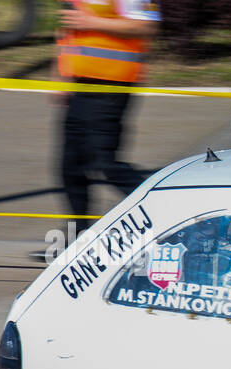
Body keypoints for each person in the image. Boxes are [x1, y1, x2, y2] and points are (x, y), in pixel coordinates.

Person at [54, 1, 162, 231]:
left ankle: (164, 217)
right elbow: (69, 30)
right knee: (70, 166)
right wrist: (62, 75)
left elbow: (146, 27)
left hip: (112, 86)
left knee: (104, 163)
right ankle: (77, 240)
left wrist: (92, 22)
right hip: (80, 85)